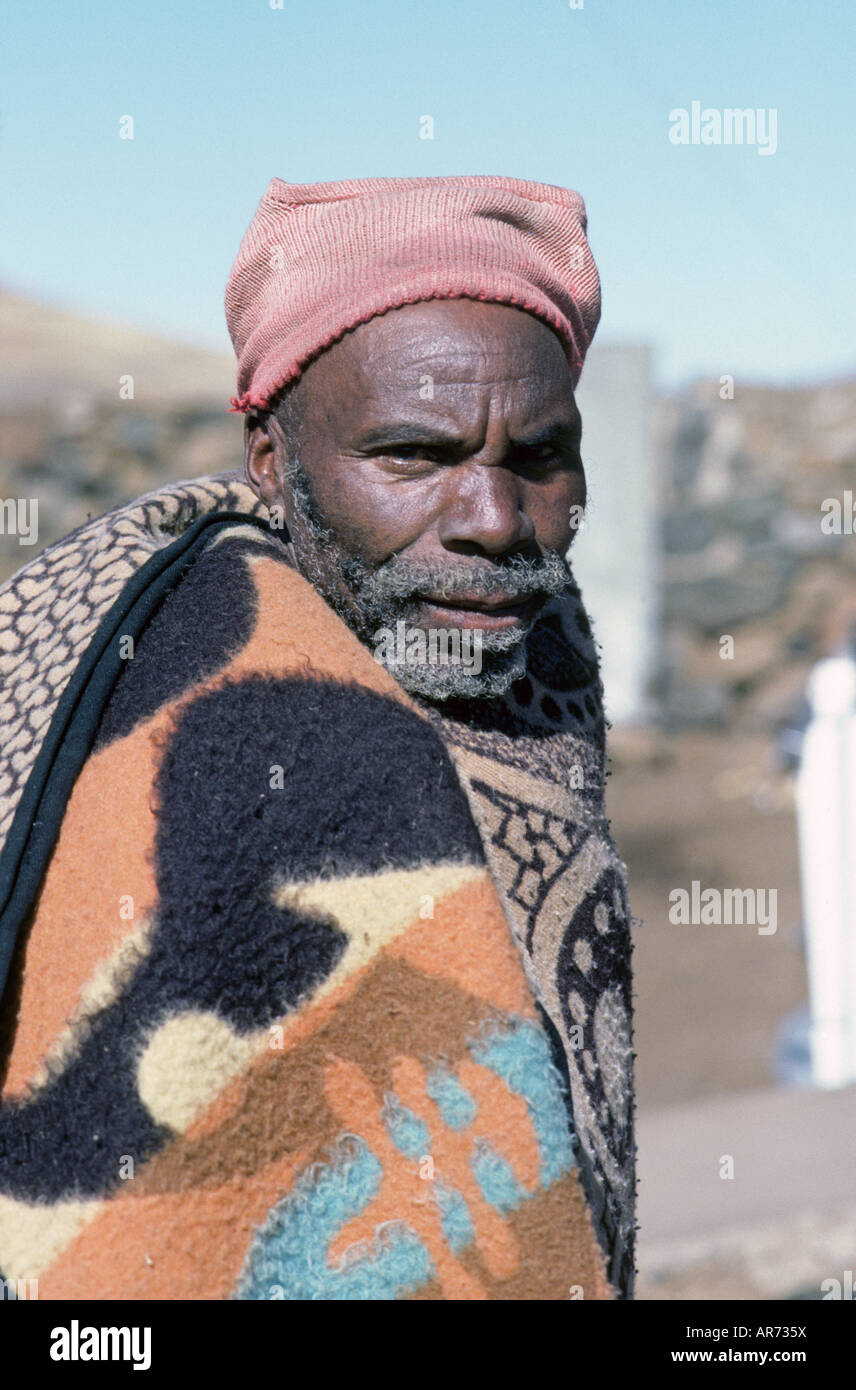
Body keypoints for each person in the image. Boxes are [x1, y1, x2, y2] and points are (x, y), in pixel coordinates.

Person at [0, 174, 635, 1300]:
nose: (493, 521)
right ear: (269, 459)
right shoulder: (257, 717)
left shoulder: (539, 663)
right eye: (412, 456)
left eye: (538, 457)